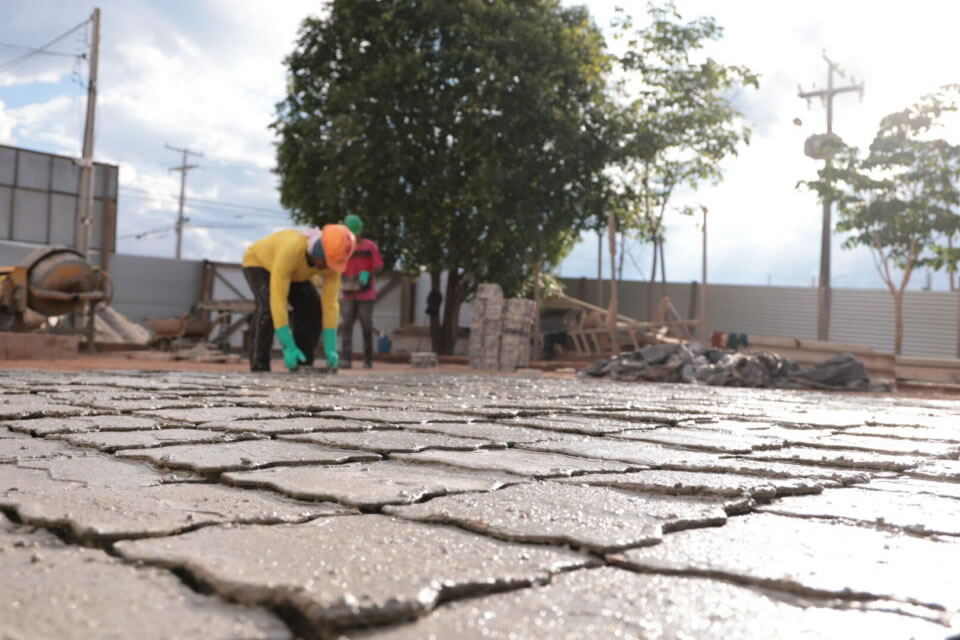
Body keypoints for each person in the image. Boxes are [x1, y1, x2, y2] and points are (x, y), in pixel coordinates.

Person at [241, 224, 355, 372]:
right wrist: (288, 345)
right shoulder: (291, 251)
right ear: (318, 252)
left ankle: (304, 361)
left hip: (294, 271)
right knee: (268, 305)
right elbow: (278, 300)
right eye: (329, 262)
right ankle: (259, 363)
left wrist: (330, 347)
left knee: (312, 306)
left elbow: (330, 305)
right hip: (259, 262)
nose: (330, 267)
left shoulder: (330, 264)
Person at [339, 214, 384, 368]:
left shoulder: (369, 246)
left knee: (366, 324)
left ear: (360, 231)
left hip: (366, 292)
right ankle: (345, 359)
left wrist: (368, 272)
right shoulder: (342, 247)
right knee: (346, 325)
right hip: (347, 292)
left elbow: (378, 265)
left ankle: (367, 359)